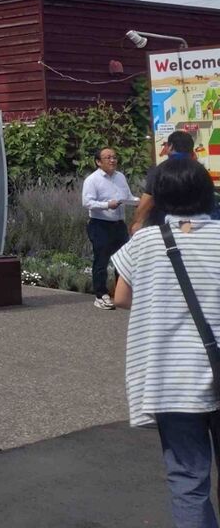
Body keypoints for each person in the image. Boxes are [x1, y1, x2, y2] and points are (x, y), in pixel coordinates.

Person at [111, 158, 220, 527]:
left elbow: (121, 298)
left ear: (159, 197)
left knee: (188, 481)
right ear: (207, 194)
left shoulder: (144, 242)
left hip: (171, 381)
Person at [133, 131, 217, 233]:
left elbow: (147, 201)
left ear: (171, 146)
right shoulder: (200, 170)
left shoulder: (161, 170)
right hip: (199, 228)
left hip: (166, 229)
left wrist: (137, 222)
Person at [83, 147, 132, 310]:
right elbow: (87, 202)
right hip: (100, 224)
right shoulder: (92, 180)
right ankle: (101, 295)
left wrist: (138, 202)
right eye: (108, 158)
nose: (112, 160)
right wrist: (106, 205)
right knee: (101, 260)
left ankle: (121, 294)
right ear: (98, 162)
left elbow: (127, 196)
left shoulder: (120, 177)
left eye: (114, 157)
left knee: (123, 259)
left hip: (119, 224)